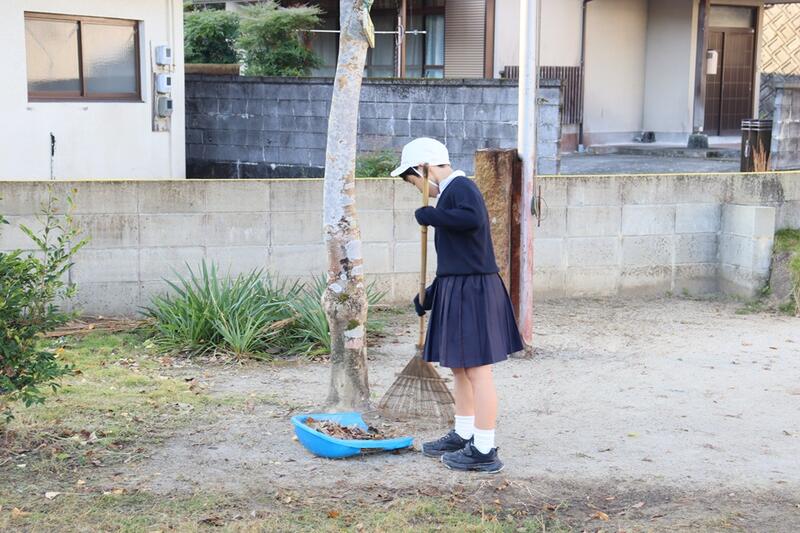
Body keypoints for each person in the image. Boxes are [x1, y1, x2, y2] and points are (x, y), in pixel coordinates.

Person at [390, 138, 523, 473]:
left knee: (477, 370)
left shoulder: (461, 188)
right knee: (460, 368)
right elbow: (459, 256)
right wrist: (431, 294)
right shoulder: (449, 195)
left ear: (423, 168)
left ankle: (484, 449)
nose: (419, 190)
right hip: (458, 285)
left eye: (415, 182)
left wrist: (433, 216)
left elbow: (471, 219)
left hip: (474, 290)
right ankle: (464, 434)